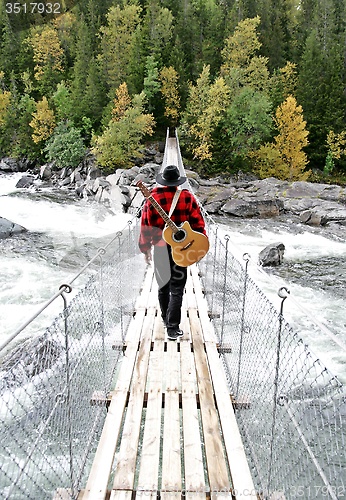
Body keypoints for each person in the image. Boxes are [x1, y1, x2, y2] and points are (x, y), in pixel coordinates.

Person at [138, 164, 207, 340]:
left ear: (163, 181)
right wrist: (198, 246)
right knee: (177, 288)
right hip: (182, 249)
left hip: (160, 249)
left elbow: (145, 225)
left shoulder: (152, 198)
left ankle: (165, 319)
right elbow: (199, 224)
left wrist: (145, 248)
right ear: (178, 181)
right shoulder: (188, 197)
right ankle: (172, 327)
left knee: (163, 286)